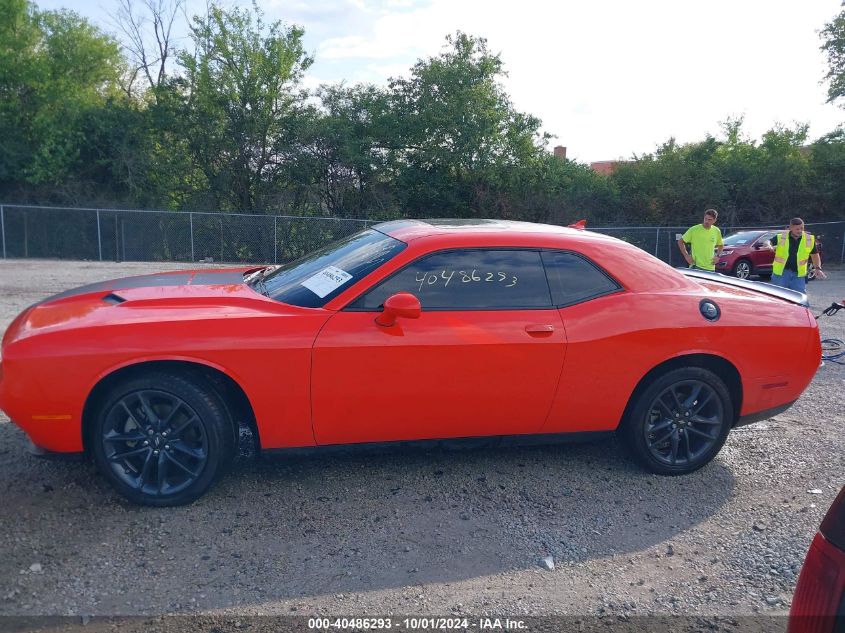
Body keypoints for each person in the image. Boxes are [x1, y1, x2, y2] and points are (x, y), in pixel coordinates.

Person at [765, 218, 826, 292]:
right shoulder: (782, 237)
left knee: (799, 298)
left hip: (799, 275)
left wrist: (817, 268)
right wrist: (768, 245)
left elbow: (815, 255)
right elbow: (768, 241)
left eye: (802, 228)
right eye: (797, 229)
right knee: (779, 297)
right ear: (790, 228)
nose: (800, 231)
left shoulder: (809, 239)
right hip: (781, 274)